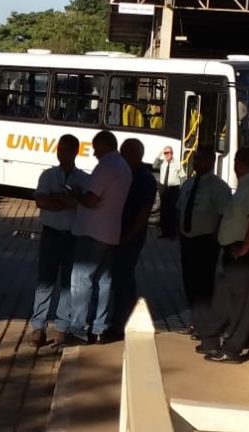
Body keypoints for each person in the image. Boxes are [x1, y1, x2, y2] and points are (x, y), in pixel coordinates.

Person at [196, 148, 249, 363]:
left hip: (246, 252)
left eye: (236, 161)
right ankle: (211, 339)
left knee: (241, 303)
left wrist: (245, 248)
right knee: (224, 297)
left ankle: (232, 348)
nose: (235, 166)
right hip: (232, 249)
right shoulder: (247, 185)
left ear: (242, 162)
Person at [59, 130, 132, 346]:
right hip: (111, 233)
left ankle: (78, 329)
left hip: (93, 231)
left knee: (81, 279)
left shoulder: (106, 166)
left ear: (104, 145)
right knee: (104, 281)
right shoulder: (124, 167)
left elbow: (92, 200)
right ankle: (100, 328)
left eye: (95, 148)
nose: (94, 153)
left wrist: (76, 194)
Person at [28, 134, 90, 348]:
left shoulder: (84, 179)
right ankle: (38, 326)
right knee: (45, 281)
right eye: (59, 149)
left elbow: (82, 205)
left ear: (75, 152)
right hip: (51, 234)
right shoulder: (48, 175)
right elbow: (41, 201)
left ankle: (62, 327)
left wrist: (56, 198)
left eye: (66, 150)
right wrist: (67, 200)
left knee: (68, 284)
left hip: (73, 237)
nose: (61, 154)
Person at [103, 138, 158, 339]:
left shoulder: (144, 179)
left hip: (129, 235)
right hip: (119, 233)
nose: (121, 157)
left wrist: (128, 236)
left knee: (121, 278)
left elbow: (143, 213)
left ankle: (119, 324)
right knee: (124, 277)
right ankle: (128, 316)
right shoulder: (127, 174)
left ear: (135, 155)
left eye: (124, 153)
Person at [176, 148, 231, 338]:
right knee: (189, 282)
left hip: (206, 240)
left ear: (210, 162)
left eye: (200, 159)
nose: (196, 163)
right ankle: (194, 321)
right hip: (187, 239)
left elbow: (224, 214)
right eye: (195, 159)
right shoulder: (189, 183)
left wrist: (215, 238)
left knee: (204, 285)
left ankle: (205, 325)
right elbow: (180, 208)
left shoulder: (219, 187)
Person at [153, 146, 185, 239]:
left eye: (168, 152)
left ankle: (172, 234)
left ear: (172, 153)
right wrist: (160, 153)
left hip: (173, 189)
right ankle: (164, 232)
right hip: (163, 188)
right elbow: (154, 165)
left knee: (172, 211)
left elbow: (182, 176)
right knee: (163, 210)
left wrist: (182, 189)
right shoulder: (162, 163)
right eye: (165, 153)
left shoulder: (177, 163)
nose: (167, 154)